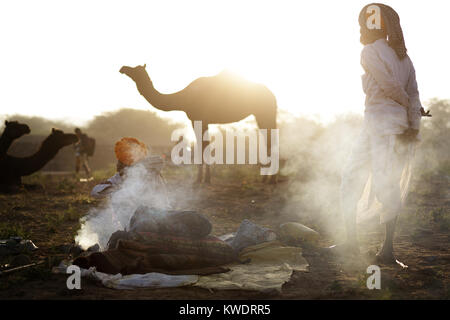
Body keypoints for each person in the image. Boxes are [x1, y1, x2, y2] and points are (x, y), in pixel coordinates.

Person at [328, 3, 428, 265]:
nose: (361, 28)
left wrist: (411, 110)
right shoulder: (405, 58)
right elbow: (412, 94)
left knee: (376, 183)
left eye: (363, 23)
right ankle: (359, 243)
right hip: (381, 125)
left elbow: (391, 86)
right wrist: (413, 119)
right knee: (364, 179)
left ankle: (386, 251)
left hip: (383, 126)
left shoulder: (369, 52)